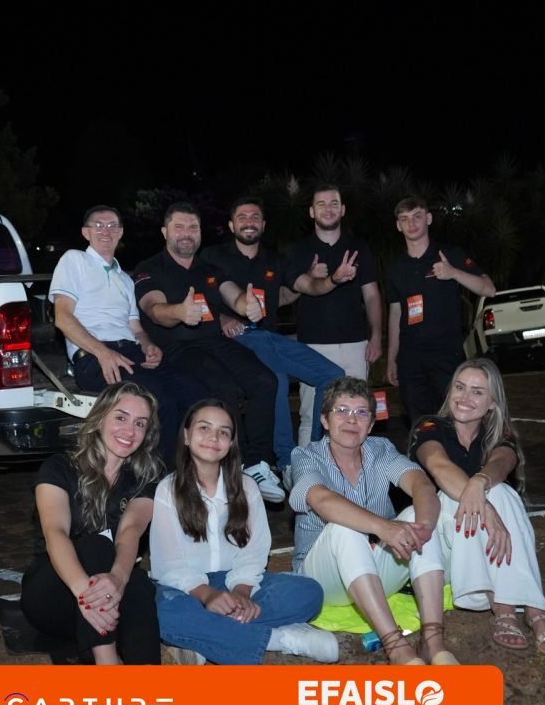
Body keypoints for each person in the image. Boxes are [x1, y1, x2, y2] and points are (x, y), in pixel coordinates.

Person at [149, 399, 337, 664]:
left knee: (309, 593)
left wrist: (241, 592)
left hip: (235, 581)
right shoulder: (167, 490)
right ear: (187, 436)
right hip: (188, 591)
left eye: (223, 432)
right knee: (161, 611)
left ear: (231, 443)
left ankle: (203, 638)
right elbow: (170, 564)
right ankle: (281, 639)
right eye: (204, 428)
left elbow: (253, 552)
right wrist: (208, 595)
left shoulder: (246, 487)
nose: (213, 437)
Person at [289, 377, 457, 666]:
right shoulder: (305, 455)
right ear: (325, 421)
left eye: (361, 412)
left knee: (416, 517)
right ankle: (396, 646)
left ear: (370, 424)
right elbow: (322, 500)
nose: (351, 420)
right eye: (342, 411)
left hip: (374, 574)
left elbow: (422, 485)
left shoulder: (380, 449)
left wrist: (424, 531)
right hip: (323, 581)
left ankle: (433, 641)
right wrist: (384, 527)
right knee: (343, 527)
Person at [408, 358, 545, 657]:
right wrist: (486, 507)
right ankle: (516, 608)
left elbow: (502, 463)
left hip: (481, 544)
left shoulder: (499, 434)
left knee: (501, 491)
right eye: (459, 387)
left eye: (477, 392)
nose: (464, 397)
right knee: (463, 496)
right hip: (437, 545)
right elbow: (438, 466)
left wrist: (480, 482)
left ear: (492, 402)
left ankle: (524, 609)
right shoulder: (429, 425)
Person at [133, 202, 284, 503]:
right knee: (223, 388)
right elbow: (153, 308)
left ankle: (258, 463)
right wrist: (179, 312)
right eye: (179, 227)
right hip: (177, 348)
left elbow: (233, 296)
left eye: (193, 227)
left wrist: (248, 306)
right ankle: (235, 467)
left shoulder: (210, 268)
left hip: (214, 342)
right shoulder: (149, 269)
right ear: (165, 231)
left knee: (266, 381)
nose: (186, 233)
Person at [199, 196, 349, 481]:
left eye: (255, 217)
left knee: (332, 375)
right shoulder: (212, 256)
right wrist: (221, 319)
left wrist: (333, 279)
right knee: (276, 380)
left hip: (268, 338)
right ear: (231, 225)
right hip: (234, 341)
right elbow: (197, 294)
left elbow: (307, 285)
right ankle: (287, 461)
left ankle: (315, 452)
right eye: (242, 217)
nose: (249, 222)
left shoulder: (275, 260)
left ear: (263, 224)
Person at [17, 381, 165, 664]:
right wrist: (86, 595)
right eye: (120, 418)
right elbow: (55, 532)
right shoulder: (59, 467)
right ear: (99, 419)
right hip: (57, 594)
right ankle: (107, 662)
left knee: (138, 581)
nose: (129, 431)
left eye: (140, 424)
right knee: (95, 544)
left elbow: (130, 532)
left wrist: (118, 580)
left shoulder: (145, 479)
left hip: (111, 600)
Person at [50, 205, 207, 464]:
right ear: (85, 232)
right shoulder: (74, 260)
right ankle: (162, 477)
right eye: (98, 225)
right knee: (159, 399)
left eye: (112, 225)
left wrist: (148, 345)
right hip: (94, 356)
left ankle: (192, 467)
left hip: (130, 353)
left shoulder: (124, 278)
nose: (106, 230)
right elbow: (63, 318)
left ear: (121, 232)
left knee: (196, 393)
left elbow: (136, 328)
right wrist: (103, 353)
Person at [386, 197, 496, 429]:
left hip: (447, 357)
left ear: (428, 218)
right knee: (421, 426)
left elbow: (488, 288)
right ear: (398, 225)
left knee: (456, 422)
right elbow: (396, 314)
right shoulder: (396, 268)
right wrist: (391, 358)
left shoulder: (450, 254)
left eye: (417, 216)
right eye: (404, 219)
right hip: (410, 360)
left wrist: (454, 273)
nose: (411, 223)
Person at [286, 184, 383, 447]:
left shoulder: (359, 247)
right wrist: (310, 275)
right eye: (321, 204)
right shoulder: (299, 250)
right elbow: (286, 293)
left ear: (343, 209)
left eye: (333, 203)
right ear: (311, 211)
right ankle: (308, 472)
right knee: (312, 416)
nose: (328, 209)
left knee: (357, 414)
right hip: (313, 346)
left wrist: (376, 336)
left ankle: (355, 471)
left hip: (355, 345)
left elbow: (372, 295)